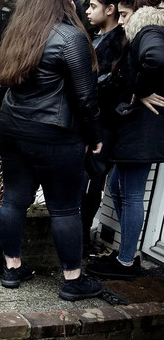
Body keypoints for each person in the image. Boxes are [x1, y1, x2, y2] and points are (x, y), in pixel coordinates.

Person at [0, 0, 104, 301]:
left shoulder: (19, 32)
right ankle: (72, 281)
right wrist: (96, 136)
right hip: (54, 134)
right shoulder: (71, 37)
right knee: (65, 207)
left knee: (13, 199)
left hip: (12, 128)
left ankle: (12, 268)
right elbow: (85, 97)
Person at [86, 0, 164, 280]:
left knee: (130, 194)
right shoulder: (146, 30)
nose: (120, 21)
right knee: (119, 190)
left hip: (141, 134)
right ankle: (128, 252)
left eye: (125, 15)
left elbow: (155, 59)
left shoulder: (148, 29)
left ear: (139, 13)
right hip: (135, 132)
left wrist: (139, 90)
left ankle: (126, 261)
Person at [81, 0, 125, 257]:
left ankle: (83, 238)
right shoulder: (92, 37)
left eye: (93, 5)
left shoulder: (120, 41)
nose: (87, 10)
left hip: (101, 126)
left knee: (92, 181)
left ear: (110, 9)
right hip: (84, 123)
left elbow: (114, 84)